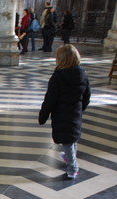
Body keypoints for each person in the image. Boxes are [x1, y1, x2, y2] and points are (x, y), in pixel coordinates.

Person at [39, 45, 91, 179]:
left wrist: (43, 115)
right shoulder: (82, 74)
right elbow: (87, 96)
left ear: (61, 60)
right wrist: (81, 109)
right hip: (75, 112)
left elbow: (50, 98)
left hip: (61, 113)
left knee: (67, 141)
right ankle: (70, 156)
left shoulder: (58, 77)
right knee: (72, 138)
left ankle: (73, 168)